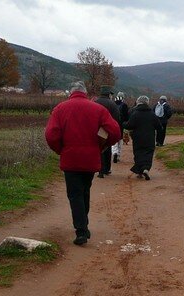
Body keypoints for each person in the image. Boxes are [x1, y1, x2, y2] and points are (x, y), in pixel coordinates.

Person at [45, 81, 121, 245]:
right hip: (91, 158)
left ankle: (81, 231)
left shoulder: (60, 109)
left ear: (70, 93)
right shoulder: (98, 109)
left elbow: (51, 135)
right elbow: (115, 131)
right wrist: (104, 145)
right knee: (84, 191)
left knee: (75, 194)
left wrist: (61, 150)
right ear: (85, 93)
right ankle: (83, 225)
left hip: (70, 159)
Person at [124, 96, 163, 180]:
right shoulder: (152, 114)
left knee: (138, 154)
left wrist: (123, 123)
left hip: (137, 138)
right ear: (147, 103)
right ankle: (146, 169)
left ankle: (140, 172)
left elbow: (129, 125)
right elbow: (159, 127)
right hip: (149, 138)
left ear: (138, 102)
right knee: (148, 154)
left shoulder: (135, 113)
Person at [94, 86, 121, 178]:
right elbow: (117, 118)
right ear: (109, 94)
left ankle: (100, 169)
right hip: (107, 130)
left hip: (96, 129)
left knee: (98, 150)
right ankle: (106, 169)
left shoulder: (95, 102)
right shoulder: (112, 104)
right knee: (107, 149)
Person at [113, 91, 130, 162]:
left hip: (113, 123)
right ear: (123, 97)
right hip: (121, 124)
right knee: (120, 139)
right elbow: (127, 116)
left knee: (114, 139)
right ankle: (118, 155)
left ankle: (114, 152)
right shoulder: (124, 105)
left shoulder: (113, 103)